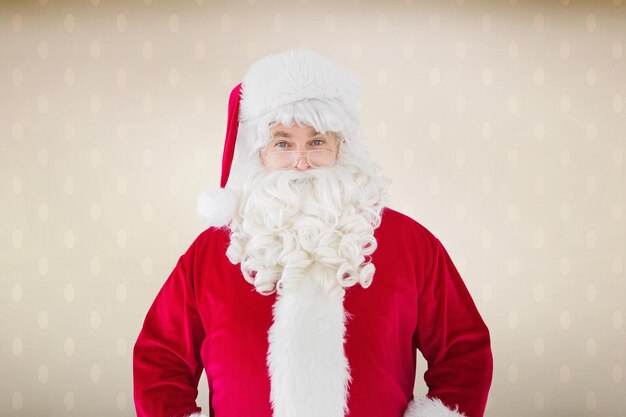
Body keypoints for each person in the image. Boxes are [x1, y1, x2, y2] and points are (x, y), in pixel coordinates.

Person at [133, 48, 493, 417]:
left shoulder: (411, 245)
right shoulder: (212, 251)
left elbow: (463, 351)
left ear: (341, 147)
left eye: (317, 142)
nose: (301, 161)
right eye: (283, 143)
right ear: (260, 153)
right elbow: (160, 359)